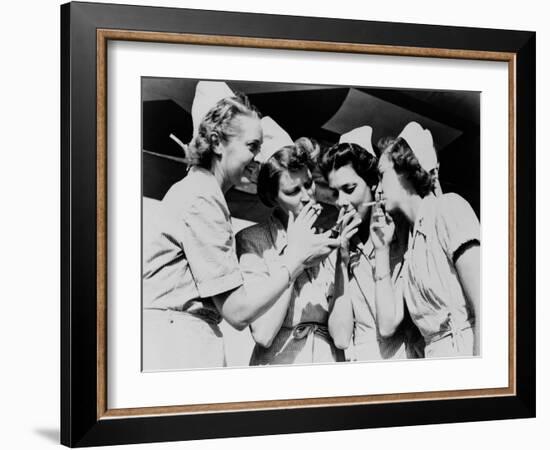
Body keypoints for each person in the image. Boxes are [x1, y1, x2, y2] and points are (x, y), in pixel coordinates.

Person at [142, 82, 338, 370]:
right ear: (217, 142)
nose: (259, 158)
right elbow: (237, 311)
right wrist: (295, 259)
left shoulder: (201, 192)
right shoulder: (202, 198)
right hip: (180, 344)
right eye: (252, 146)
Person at [236, 124, 345, 365]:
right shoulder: (253, 241)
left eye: (308, 184)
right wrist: (294, 259)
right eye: (293, 191)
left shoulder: (327, 243)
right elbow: (263, 334)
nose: (306, 196)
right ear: (272, 197)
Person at [372, 121, 480, 358]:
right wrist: (381, 250)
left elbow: (487, 305)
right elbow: (387, 325)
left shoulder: (448, 208)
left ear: (405, 170)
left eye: (382, 176)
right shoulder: (411, 244)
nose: (377, 189)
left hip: (464, 354)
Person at [318, 126, 419, 361]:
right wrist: (341, 263)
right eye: (335, 193)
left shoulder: (404, 232)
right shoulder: (337, 248)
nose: (340, 202)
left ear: (374, 184)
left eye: (349, 189)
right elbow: (341, 338)